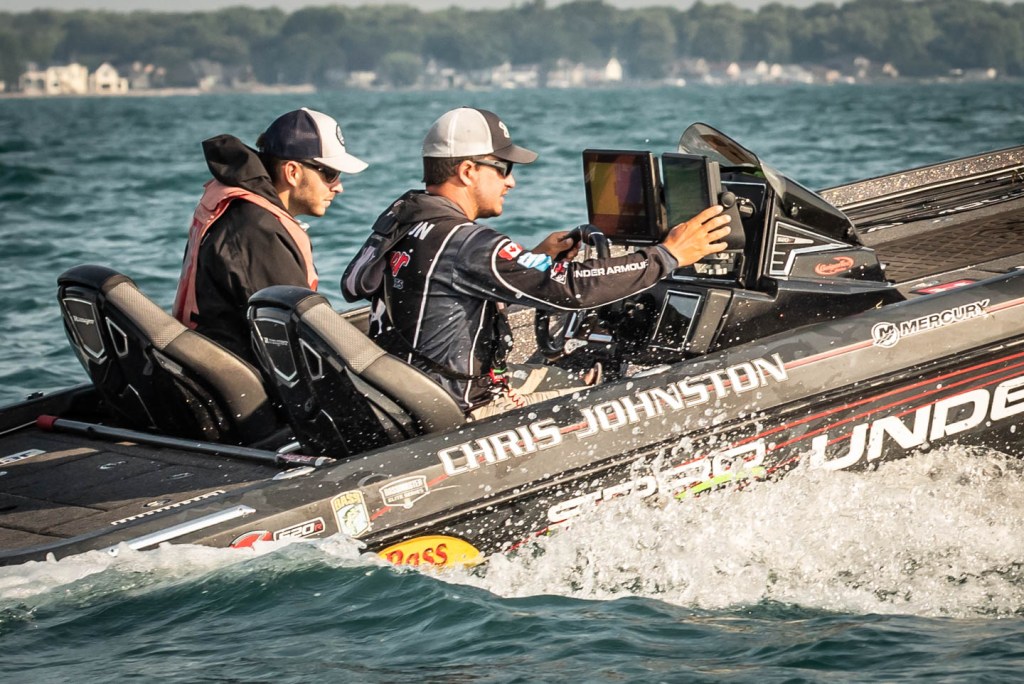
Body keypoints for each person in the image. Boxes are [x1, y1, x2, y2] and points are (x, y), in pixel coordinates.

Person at [342, 106, 730, 419]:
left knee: (575, 376)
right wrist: (668, 255)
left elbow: (451, 280)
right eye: (504, 169)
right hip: (461, 413)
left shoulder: (408, 220)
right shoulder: (467, 242)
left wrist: (537, 259)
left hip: (414, 400)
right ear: (468, 171)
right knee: (629, 399)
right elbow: (572, 288)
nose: (510, 182)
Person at [173, 107, 367, 366]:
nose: (338, 187)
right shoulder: (256, 230)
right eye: (330, 174)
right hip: (237, 375)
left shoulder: (249, 215)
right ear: (292, 172)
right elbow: (296, 333)